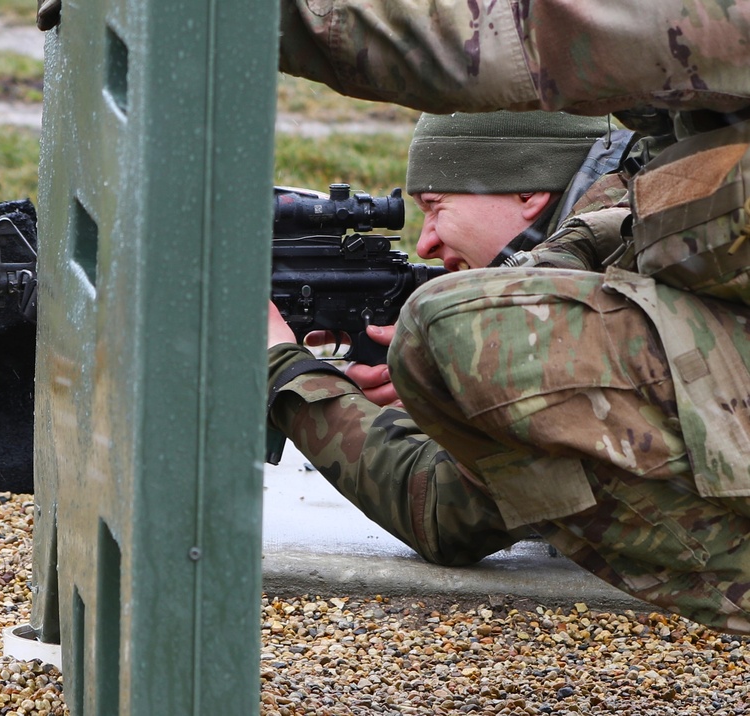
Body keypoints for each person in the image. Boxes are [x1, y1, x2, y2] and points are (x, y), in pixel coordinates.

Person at [268, 1, 750, 634]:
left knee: (452, 328)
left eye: (436, 205)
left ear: (529, 192)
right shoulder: (619, 211)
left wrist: (286, 369)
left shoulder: (605, 216)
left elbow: (441, 506)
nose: (425, 243)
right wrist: (440, 406)